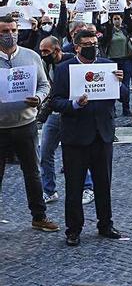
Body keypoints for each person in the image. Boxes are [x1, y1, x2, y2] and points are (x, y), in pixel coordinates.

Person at [48, 29, 125, 246]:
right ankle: (73, 229)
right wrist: (73, 104)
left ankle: (105, 224)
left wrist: (119, 83)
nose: (92, 46)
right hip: (76, 137)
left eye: (94, 43)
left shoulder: (107, 65)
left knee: (103, 184)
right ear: (77, 47)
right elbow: (55, 101)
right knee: (74, 186)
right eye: (87, 44)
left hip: (102, 134)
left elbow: (123, 96)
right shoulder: (64, 69)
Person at [0, 15, 59, 233]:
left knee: (32, 172)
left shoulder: (31, 56)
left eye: (13, 30)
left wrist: (40, 98)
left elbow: (45, 85)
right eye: (4, 31)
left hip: (25, 123)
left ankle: (39, 216)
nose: (10, 35)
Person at [37, 36, 96, 205]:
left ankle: (87, 187)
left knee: (77, 152)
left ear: (57, 50)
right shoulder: (46, 64)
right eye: (41, 51)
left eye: (46, 51)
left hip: (73, 113)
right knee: (46, 151)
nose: (42, 54)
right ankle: (49, 190)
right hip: (55, 113)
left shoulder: (72, 62)